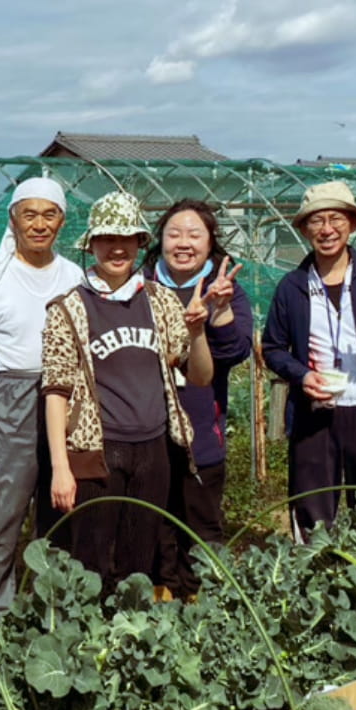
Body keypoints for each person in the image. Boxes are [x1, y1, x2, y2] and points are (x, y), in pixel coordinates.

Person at [42, 190, 212, 594]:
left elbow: (200, 375)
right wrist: (61, 466)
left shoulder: (159, 301)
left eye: (127, 239)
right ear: (92, 245)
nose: (117, 249)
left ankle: (129, 644)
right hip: (97, 451)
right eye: (106, 239)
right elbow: (55, 391)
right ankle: (89, 642)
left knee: (140, 557)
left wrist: (198, 331)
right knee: (92, 559)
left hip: (153, 450)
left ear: (140, 243)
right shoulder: (68, 308)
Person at [262, 181, 356, 539]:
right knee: (312, 510)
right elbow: (272, 348)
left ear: (353, 225)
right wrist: (301, 376)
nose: (326, 229)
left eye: (335, 218)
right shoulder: (292, 285)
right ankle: (310, 581)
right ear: (303, 229)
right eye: (316, 221)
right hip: (315, 410)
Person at [0, 177, 83, 616]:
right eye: (29, 214)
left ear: (62, 221)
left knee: (59, 505)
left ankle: (48, 606)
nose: (39, 224)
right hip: (9, 394)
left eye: (48, 214)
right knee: (4, 510)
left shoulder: (73, 275)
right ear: (13, 219)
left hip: (64, 395)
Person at [143, 199, 253, 599]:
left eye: (194, 235)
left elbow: (236, 352)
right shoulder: (139, 286)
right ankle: (158, 608)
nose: (183, 243)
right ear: (160, 240)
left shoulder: (226, 289)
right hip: (146, 431)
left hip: (201, 430)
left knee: (202, 524)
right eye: (174, 234)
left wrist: (219, 312)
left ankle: (207, 607)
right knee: (153, 525)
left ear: (210, 244)